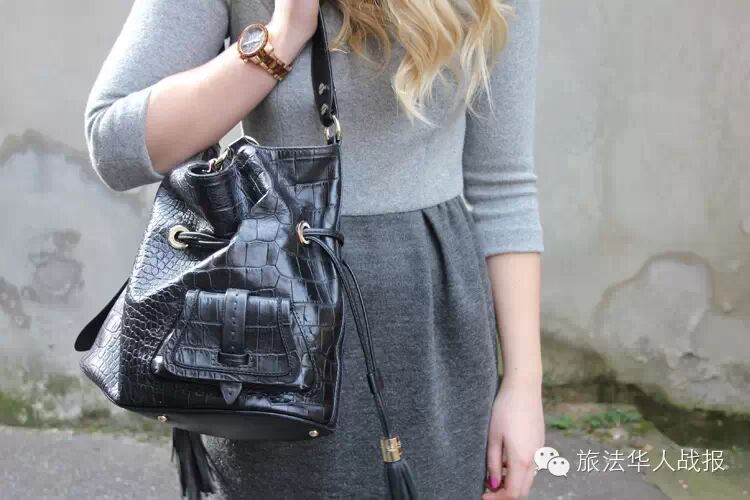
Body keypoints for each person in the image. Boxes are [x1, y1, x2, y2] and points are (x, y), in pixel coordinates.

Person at [84, 0, 545, 498]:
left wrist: (524, 386)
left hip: (433, 327)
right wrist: (283, 35)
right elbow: (115, 144)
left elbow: (503, 188)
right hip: (276, 314)